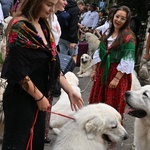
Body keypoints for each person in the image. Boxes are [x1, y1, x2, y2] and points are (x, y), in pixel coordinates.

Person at [1, 0, 83, 149]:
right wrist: (38, 97)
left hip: (41, 97)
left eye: (53, 5)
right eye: (48, 4)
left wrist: (69, 90)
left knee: (36, 142)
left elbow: (52, 65)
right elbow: (18, 71)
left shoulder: (44, 26)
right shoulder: (19, 27)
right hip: (22, 98)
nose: (52, 10)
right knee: (18, 142)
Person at [89, 6, 136, 119]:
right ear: (113, 16)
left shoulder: (128, 37)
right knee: (98, 100)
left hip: (117, 73)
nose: (118, 20)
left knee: (112, 102)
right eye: (117, 16)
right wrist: (95, 70)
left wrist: (116, 78)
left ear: (127, 21)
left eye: (123, 18)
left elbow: (127, 59)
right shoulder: (107, 32)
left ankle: (111, 130)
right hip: (103, 70)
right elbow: (100, 53)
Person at [44, 0, 68, 143]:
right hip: (43, 68)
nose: (66, 2)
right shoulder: (43, 18)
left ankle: (43, 132)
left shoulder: (55, 17)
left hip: (52, 66)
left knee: (48, 100)